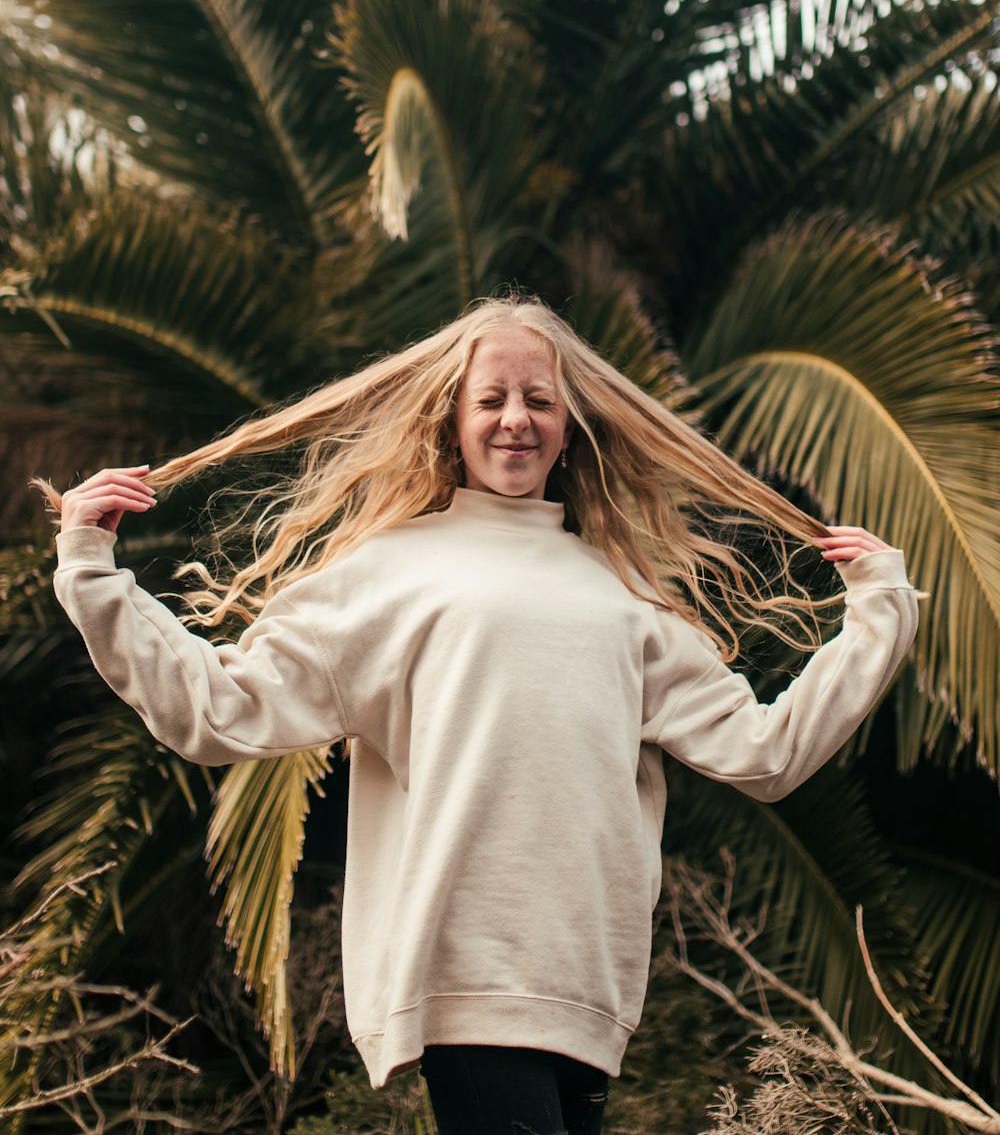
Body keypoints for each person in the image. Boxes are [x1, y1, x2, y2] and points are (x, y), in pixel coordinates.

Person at [40, 295, 919, 1135]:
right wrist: (90, 569)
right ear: (450, 421)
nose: (515, 419)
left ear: (570, 427)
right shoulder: (385, 576)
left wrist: (880, 613)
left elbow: (767, 754)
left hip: (588, 984)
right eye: (490, 398)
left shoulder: (627, 599)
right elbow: (219, 712)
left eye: (540, 399)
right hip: (462, 976)